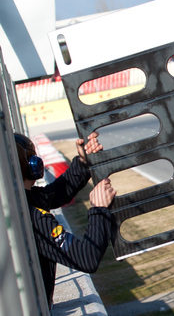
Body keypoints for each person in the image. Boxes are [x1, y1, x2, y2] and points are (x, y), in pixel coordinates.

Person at [14, 132, 116, 309]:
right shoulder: (31, 216)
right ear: (32, 165)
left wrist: (83, 162)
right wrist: (99, 210)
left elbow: (56, 193)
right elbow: (87, 258)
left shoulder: (18, 202)